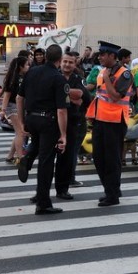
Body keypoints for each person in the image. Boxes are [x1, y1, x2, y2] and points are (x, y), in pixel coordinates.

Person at [16, 44, 68, 215]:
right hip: (48, 121)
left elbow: (19, 98)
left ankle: (28, 158)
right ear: (59, 60)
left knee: (37, 145)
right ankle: (43, 203)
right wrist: (63, 134)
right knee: (46, 163)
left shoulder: (32, 71)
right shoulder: (58, 78)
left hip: (31, 117)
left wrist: (23, 122)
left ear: (45, 57)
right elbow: (61, 110)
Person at [88, 42, 133, 207]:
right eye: (99, 54)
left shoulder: (125, 74)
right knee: (98, 158)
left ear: (113, 56)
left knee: (112, 159)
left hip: (115, 121)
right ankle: (111, 188)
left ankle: (112, 195)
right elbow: (99, 96)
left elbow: (115, 97)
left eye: (103, 54)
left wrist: (107, 78)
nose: (100, 57)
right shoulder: (101, 72)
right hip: (100, 119)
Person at [55, 51, 91, 197]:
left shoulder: (78, 78)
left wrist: (63, 92)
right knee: (49, 156)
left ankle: (65, 185)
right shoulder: (55, 76)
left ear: (75, 64)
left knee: (69, 155)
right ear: (60, 62)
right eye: (65, 61)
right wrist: (72, 95)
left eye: (70, 62)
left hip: (74, 121)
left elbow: (83, 97)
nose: (67, 64)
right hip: (55, 121)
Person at [1, 56, 31, 164]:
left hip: (19, 106)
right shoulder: (13, 78)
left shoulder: (23, 76)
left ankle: (10, 156)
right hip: (12, 106)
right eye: (27, 64)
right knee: (20, 133)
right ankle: (20, 158)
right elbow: (7, 94)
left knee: (19, 133)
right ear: (20, 66)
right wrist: (3, 110)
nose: (29, 66)